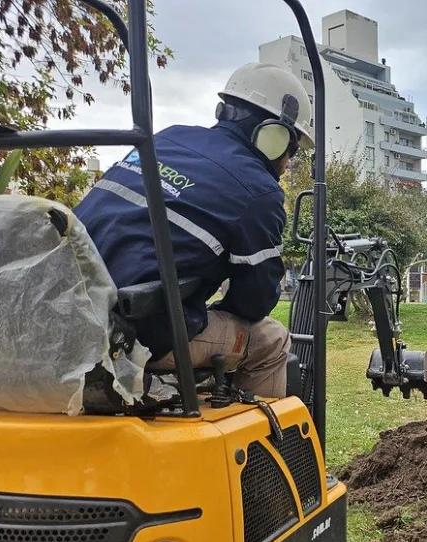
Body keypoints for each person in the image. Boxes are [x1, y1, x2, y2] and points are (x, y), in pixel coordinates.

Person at [74, 63, 314, 397]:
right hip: (134, 334)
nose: (289, 162)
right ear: (273, 136)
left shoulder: (167, 138)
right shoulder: (260, 192)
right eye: (293, 148)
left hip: (69, 312)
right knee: (271, 340)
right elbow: (254, 302)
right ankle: (267, 448)